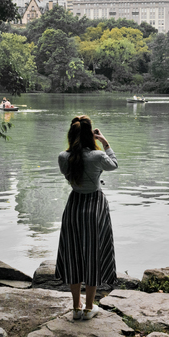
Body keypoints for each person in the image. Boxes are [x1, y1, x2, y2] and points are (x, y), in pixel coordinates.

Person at [55, 116, 119, 320]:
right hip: (95, 207)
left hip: (74, 206)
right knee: (93, 254)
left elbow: (70, 173)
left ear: (71, 134)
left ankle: (76, 307)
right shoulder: (98, 156)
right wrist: (105, 142)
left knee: (73, 254)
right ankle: (89, 307)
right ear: (90, 134)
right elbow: (114, 164)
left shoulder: (63, 157)